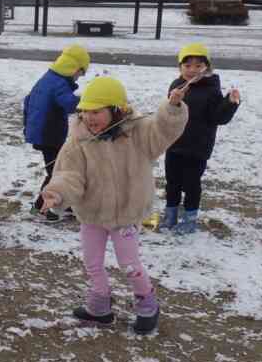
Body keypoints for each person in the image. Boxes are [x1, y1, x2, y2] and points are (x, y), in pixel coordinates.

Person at [41, 76, 189, 334]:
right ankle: (100, 307)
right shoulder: (78, 140)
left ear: (116, 109)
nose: (89, 118)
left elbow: (164, 131)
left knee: (129, 265)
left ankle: (147, 305)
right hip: (92, 214)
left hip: (125, 214)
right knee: (92, 263)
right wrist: (56, 193)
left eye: (96, 112)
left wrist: (172, 108)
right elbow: (69, 175)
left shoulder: (139, 133)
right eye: (85, 112)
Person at [162, 43, 240, 234]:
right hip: (174, 143)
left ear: (207, 67)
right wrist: (172, 102)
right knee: (172, 181)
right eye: (187, 65)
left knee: (191, 183)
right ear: (180, 67)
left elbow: (218, 117)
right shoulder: (176, 85)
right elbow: (168, 114)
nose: (192, 70)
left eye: (198, 66)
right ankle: (170, 214)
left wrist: (229, 103)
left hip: (197, 147)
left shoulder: (211, 89)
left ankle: (189, 219)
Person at [23, 44, 90, 222]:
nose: (79, 77)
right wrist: (89, 100)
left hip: (42, 133)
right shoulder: (59, 84)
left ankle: (60, 205)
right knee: (57, 172)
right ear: (73, 68)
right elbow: (69, 104)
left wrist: (28, 127)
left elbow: (27, 101)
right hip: (48, 135)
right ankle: (42, 208)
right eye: (80, 73)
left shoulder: (49, 78)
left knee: (58, 169)